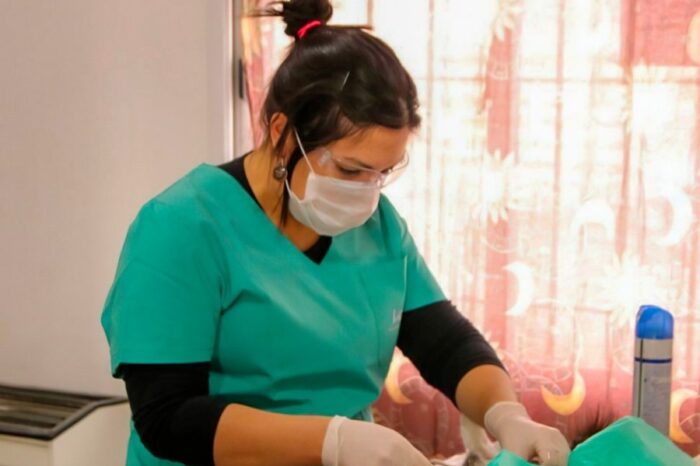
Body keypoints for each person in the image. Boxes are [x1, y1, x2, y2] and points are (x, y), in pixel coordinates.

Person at [100, 1, 571, 465]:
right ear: (283, 133)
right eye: (350, 169)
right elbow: (167, 417)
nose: (367, 193)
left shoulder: (378, 227)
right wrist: (333, 441)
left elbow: (445, 344)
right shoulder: (182, 227)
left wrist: (505, 413)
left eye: (382, 172)